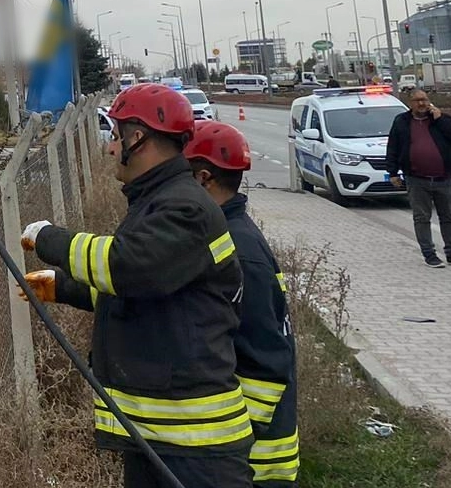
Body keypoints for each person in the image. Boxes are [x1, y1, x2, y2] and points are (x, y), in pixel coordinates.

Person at [20, 83, 252, 488]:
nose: (111, 148)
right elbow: (151, 289)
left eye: (114, 136)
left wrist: (49, 239)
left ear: (137, 138)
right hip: (160, 435)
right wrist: (63, 287)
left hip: (194, 444)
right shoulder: (159, 201)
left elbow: (128, 267)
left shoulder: (184, 207)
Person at [186, 120, 300, 483]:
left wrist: (231, 439)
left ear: (203, 179)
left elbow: (265, 362)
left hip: (254, 462)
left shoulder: (237, 250)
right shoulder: (228, 234)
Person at [385, 89, 451, 268]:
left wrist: (440, 119)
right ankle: (429, 254)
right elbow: (392, 147)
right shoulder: (401, 121)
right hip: (416, 179)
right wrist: (392, 172)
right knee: (421, 218)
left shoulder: (442, 119)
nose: (421, 104)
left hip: (443, 177)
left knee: (448, 217)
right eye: (417, 101)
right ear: (410, 103)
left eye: (424, 100)